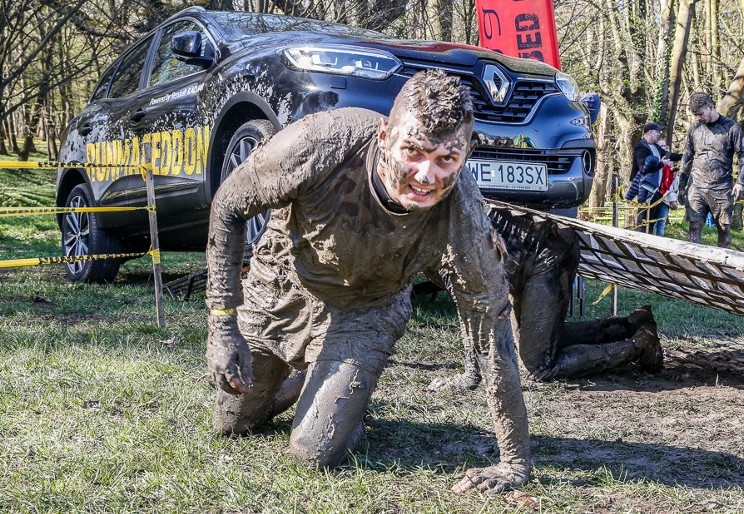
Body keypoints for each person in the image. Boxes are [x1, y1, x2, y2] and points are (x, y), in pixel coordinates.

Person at [204, 70, 529, 494]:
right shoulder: (318, 144)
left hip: (366, 308)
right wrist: (222, 326)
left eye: (446, 160)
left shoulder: (462, 215)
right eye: (413, 151)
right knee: (233, 423)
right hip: (282, 281)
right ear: (384, 137)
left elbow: (493, 327)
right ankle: (308, 382)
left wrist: (514, 462)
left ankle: (339, 397)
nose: (426, 176)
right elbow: (229, 205)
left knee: (314, 452)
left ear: (466, 155)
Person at [427, 204, 664, 390]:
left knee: (537, 367)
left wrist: (472, 374)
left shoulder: (436, 237)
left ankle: (640, 344)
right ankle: (630, 325)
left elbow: (470, 308)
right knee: (541, 343)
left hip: (546, 253)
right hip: (534, 252)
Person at [678, 92, 744, 248]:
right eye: (695, 115)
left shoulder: (731, 127)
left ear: (710, 107)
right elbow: (687, 157)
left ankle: (723, 266)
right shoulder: (695, 128)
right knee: (694, 225)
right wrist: (681, 186)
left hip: (721, 187)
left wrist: (740, 182)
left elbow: (743, 155)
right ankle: (692, 263)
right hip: (697, 185)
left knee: (723, 228)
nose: (698, 117)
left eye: (700, 114)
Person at [654, 138, 683, 237]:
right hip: (654, 195)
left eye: (665, 146)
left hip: (666, 197)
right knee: (651, 223)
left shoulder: (672, 164)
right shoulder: (655, 161)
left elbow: (674, 184)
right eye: (661, 146)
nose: (664, 148)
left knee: (661, 224)